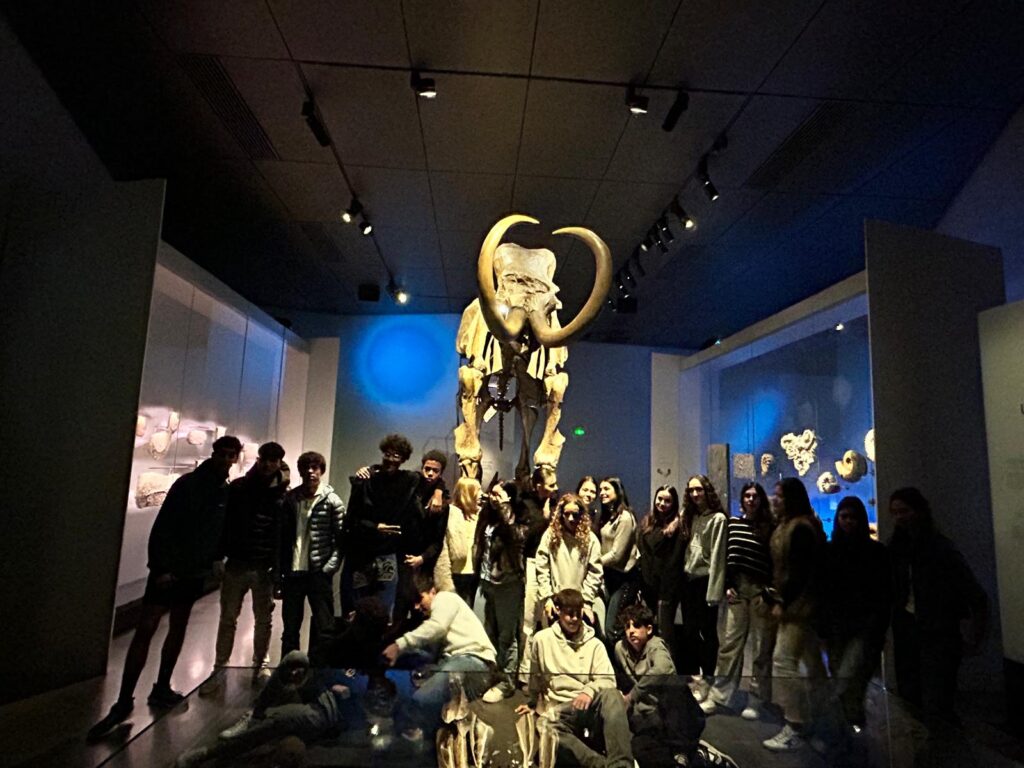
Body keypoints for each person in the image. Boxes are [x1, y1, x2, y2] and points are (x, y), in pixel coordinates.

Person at [88, 436, 242, 742]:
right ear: (214, 454)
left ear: (235, 458)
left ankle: (161, 687)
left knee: (178, 625)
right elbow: (165, 526)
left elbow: (216, 530)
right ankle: (124, 700)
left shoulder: (222, 490)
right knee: (147, 628)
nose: (226, 460)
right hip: (169, 570)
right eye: (223, 454)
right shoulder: (188, 485)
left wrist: (213, 559)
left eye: (231, 455)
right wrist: (160, 567)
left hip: (192, 571)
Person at [888, 487, 988, 723]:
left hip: (938, 631)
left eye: (904, 511)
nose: (899, 517)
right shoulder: (898, 548)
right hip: (910, 630)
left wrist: (975, 632)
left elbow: (973, 592)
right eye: (895, 512)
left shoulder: (940, 548)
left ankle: (941, 740)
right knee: (912, 695)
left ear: (919, 511)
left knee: (937, 698)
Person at [199, 442, 290, 696]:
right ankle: (219, 668)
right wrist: (218, 556)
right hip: (237, 563)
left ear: (278, 463)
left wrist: (278, 569)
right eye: (265, 459)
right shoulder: (239, 488)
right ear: (258, 460)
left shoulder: (282, 494)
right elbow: (225, 524)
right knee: (228, 617)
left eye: (273, 460)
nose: (268, 464)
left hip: (264, 566)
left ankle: (260, 663)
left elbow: (282, 534)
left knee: (264, 619)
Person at [517, 588, 634, 768]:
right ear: (558, 611)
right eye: (569, 614)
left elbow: (608, 680)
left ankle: (622, 764)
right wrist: (533, 702)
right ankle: (603, 766)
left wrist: (589, 691)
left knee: (612, 695)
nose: (573, 619)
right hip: (561, 709)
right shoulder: (542, 639)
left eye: (577, 614)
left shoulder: (595, 644)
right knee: (545, 724)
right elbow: (536, 676)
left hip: (588, 706)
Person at [616, 604, 737, 768]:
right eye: (627, 626)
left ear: (649, 629)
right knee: (639, 749)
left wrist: (633, 695)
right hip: (649, 717)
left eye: (636, 626)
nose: (631, 631)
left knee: (674, 690)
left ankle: (690, 754)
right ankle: (695, 755)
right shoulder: (620, 649)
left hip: (675, 714)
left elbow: (663, 668)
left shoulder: (656, 645)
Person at [383, 572, 497, 743]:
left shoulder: (445, 599)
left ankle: (413, 736)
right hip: (456, 661)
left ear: (432, 592)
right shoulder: (437, 615)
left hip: (473, 661)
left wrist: (400, 645)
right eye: (413, 602)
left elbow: (437, 627)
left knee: (422, 699)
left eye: (419, 599)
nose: (416, 607)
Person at [762, 477, 827, 752]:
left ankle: (796, 724)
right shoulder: (789, 525)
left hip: (800, 607)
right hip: (797, 605)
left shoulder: (800, 528)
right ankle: (825, 723)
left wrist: (783, 601)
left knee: (784, 661)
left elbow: (800, 571)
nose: (774, 499)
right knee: (813, 666)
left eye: (780, 495)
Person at [703, 482, 776, 720]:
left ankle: (757, 699)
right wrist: (727, 585)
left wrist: (769, 592)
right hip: (737, 590)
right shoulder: (733, 523)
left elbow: (774, 561)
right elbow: (727, 557)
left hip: (760, 592)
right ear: (742, 499)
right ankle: (719, 696)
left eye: (755, 496)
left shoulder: (769, 527)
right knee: (729, 646)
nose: (751, 499)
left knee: (761, 649)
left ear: (761, 499)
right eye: (747, 495)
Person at [824, 495, 890, 731]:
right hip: (836, 626)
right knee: (840, 675)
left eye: (853, 517)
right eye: (844, 517)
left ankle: (848, 724)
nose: (848, 521)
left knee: (849, 676)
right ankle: (847, 726)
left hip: (864, 626)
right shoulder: (831, 550)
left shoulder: (876, 552)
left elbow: (884, 591)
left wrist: (877, 625)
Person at [343, 434, 422, 622]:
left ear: (403, 459)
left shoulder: (408, 480)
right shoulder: (365, 480)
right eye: (388, 454)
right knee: (359, 609)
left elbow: (430, 480)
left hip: (388, 554)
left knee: (384, 610)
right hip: (363, 554)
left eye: (396, 456)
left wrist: (439, 491)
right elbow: (351, 519)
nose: (391, 459)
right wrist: (375, 527)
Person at [279, 451, 345, 657]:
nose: (310, 472)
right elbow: (282, 537)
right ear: (300, 471)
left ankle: (320, 669)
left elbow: (341, 540)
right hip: (293, 573)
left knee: (324, 628)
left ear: (321, 471)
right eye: (306, 468)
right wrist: (281, 569)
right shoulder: (290, 499)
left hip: (318, 573)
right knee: (290, 629)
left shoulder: (332, 501)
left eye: (315, 468)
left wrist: (328, 569)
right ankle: (289, 669)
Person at [474, 479, 526, 702]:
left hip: (508, 583)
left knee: (507, 635)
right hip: (487, 581)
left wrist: (505, 508)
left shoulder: (518, 519)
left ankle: (507, 682)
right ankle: (493, 675)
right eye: (492, 494)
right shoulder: (488, 516)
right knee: (489, 631)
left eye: (498, 494)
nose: (492, 498)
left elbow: (515, 539)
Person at [681, 475, 728, 701]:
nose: (695, 494)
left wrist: (714, 591)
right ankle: (696, 679)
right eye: (691, 490)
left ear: (706, 490)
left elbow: (718, 556)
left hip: (705, 581)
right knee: (690, 633)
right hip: (689, 580)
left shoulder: (718, 519)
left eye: (698, 489)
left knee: (708, 634)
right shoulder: (692, 517)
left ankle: (709, 680)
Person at [535, 493, 604, 629]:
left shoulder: (590, 540)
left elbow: (595, 572)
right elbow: (542, 567)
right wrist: (547, 598)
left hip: (580, 603)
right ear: (561, 514)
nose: (571, 519)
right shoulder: (551, 536)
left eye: (575, 514)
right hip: (556, 602)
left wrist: (586, 600)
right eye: (567, 514)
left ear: (581, 515)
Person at [637, 486, 688, 666]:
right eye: (660, 499)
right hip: (648, 587)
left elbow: (674, 561)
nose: (662, 503)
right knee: (650, 632)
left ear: (674, 503)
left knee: (665, 632)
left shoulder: (677, 527)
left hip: (666, 590)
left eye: (667, 500)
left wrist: (667, 590)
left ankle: (668, 670)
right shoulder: (647, 522)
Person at [518, 466, 559, 682]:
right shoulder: (525, 504)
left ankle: (548, 673)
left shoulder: (557, 504)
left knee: (549, 619)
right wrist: (544, 519)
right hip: (532, 563)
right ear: (538, 485)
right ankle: (526, 673)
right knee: (529, 618)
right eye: (551, 485)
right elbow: (526, 537)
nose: (555, 488)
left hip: (553, 565)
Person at [597, 477, 639, 649]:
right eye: (601, 489)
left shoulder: (625, 518)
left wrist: (593, 563)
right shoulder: (609, 516)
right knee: (603, 626)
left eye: (606, 489)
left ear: (617, 491)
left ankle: (623, 662)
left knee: (612, 629)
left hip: (624, 579)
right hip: (609, 577)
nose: (602, 493)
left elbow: (617, 555)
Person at [433, 476, 481, 606]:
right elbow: (443, 546)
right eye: (477, 490)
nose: (481, 494)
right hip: (456, 573)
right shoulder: (451, 513)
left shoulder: (481, 514)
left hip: (476, 572)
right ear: (467, 492)